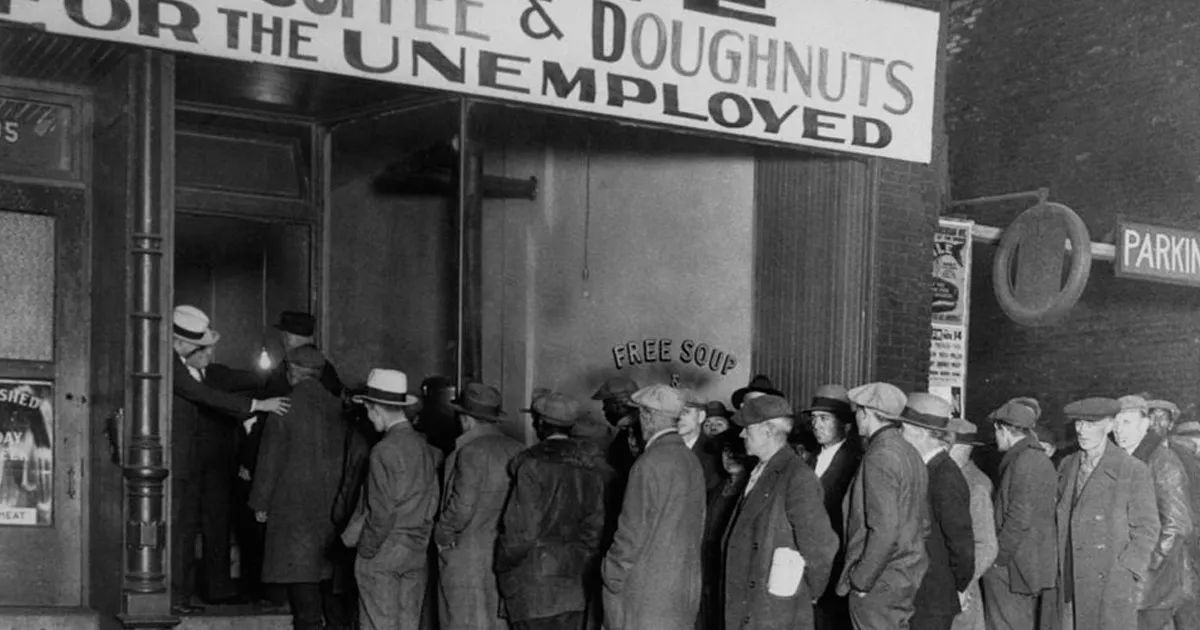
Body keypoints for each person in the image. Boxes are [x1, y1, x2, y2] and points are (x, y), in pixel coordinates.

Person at [169, 305, 290, 614]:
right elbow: (204, 395)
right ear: (181, 343)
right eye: (201, 348)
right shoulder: (170, 366)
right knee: (180, 529)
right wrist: (258, 405)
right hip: (180, 463)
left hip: (201, 464)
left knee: (196, 528)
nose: (207, 354)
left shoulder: (188, 364)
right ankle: (176, 597)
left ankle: (185, 596)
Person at [248, 345, 349, 630]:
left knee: (304, 603)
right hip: (334, 514)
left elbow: (269, 463)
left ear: (291, 373)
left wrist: (260, 505)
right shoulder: (339, 408)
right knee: (333, 594)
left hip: (293, 516)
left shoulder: (283, 408)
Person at [496, 391, 612, 630]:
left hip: (532, 586)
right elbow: (594, 531)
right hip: (574, 585)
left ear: (539, 423)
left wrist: (502, 565)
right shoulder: (591, 469)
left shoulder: (531, 466)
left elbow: (520, 534)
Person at [722, 395, 838, 630]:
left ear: (768, 430)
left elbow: (820, 548)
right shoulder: (761, 470)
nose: (742, 435)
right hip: (752, 604)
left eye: (747, 429)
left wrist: (801, 594)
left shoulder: (797, 477)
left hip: (773, 611)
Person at [1048, 397, 1159, 630]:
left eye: (1090, 424)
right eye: (1078, 423)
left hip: (1109, 584)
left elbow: (1147, 528)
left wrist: (1125, 572)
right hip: (1068, 578)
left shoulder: (1131, 470)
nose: (1081, 430)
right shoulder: (1067, 465)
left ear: (1109, 425)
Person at [601, 384, 705, 630]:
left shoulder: (648, 463)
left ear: (647, 416)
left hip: (646, 594)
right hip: (682, 590)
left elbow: (630, 534)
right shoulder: (691, 461)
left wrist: (610, 574)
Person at [347, 369, 441, 630]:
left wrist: (366, 552)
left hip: (384, 551)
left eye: (367, 410)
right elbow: (433, 500)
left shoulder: (383, 450)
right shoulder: (427, 448)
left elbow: (381, 512)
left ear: (374, 408)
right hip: (415, 552)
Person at [836, 382, 929, 630]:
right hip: (902, 576)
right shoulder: (910, 452)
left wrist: (862, 580)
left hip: (878, 580)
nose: (856, 418)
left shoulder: (880, 455)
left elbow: (884, 529)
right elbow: (923, 522)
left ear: (866, 412)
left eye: (857, 412)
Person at [435, 382, 524, 630]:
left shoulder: (467, 451)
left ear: (465, 419)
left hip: (466, 557)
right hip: (504, 555)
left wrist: (441, 536)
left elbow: (461, 508)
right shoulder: (519, 449)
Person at [1113, 395, 1192, 630]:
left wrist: (1146, 563)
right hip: (1132, 580)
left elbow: (1177, 525)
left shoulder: (1162, 462)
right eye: (1115, 423)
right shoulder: (1125, 460)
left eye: (1126, 422)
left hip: (1150, 586)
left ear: (1144, 424)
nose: (1119, 430)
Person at [898, 393, 975, 630]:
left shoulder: (945, 476)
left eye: (903, 429)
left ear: (920, 431)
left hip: (933, 599)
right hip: (920, 594)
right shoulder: (925, 468)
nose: (899, 435)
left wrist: (957, 586)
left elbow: (962, 545)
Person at [981, 398, 1056, 630]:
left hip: (1014, 566)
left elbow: (1019, 519)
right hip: (1022, 562)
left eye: (996, 431)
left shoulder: (1025, 461)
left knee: (1007, 623)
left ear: (1002, 429)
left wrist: (997, 557)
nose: (996, 438)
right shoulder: (1031, 457)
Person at [800, 384, 862, 630]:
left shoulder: (855, 463)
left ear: (845, 424)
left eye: (824, 418)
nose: (816, 424)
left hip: (836, 566)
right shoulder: (810, 459)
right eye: (814, 418)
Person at [946, 418, 997, 630]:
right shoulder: (949, 478)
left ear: (959, 448)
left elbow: (986, 546)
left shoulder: (975, 486)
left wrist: (962, 584)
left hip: (962, 589)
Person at [699, 429, 751, 630]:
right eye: (725, 451)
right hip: (710, 566)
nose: (729, 457)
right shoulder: (718, 489)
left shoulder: (749, 490)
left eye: (735, 452)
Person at [680, 391, 723, 492]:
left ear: (701, 417)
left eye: (686, 412)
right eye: (675, 412)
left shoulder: (713, 452)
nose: (679, 417)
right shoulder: (663, 446)